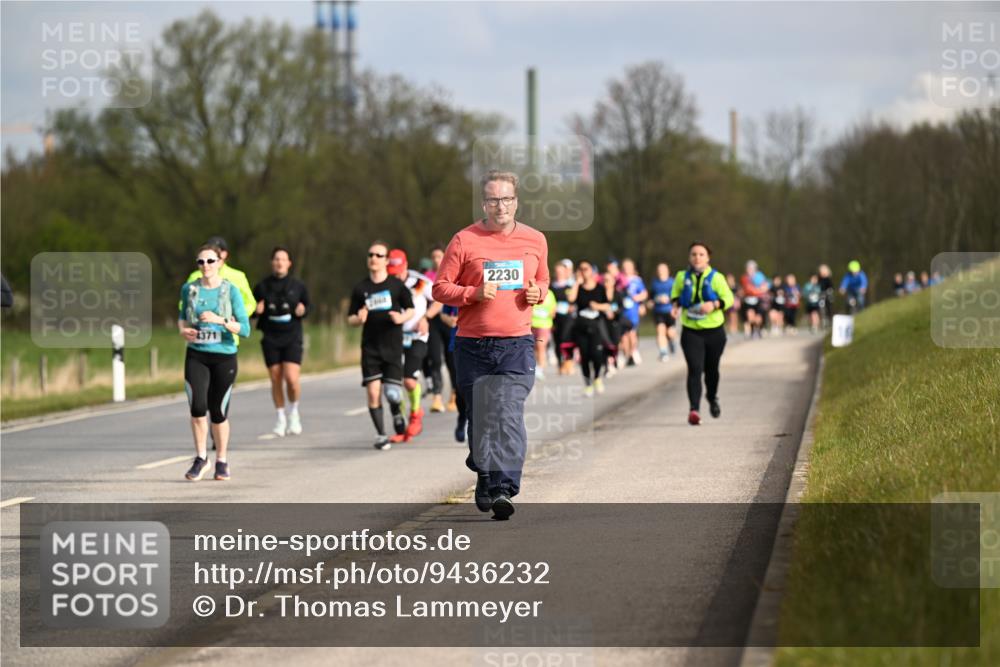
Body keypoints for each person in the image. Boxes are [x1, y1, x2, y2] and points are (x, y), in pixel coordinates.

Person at [432, 170, 549, 521]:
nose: (501, 206)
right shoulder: (464, 240)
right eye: (494, 200)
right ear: (484, 203)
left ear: (516, 202)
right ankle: (484, 471)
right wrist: (472, 293)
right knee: (482, 417)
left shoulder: (535, 239)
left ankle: (503, 487)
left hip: (516, 344)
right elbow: (440, 288)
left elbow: (542, 278)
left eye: (507, 199)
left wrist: (538, 292)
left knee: (507, 413)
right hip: (473, 346)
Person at [178, 244, 251, 481]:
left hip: (224, 356)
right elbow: (181, 319)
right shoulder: (189, 290)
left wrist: (219, 320)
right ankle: (201, 458)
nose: (205, 266)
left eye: (210, 261)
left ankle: (222, 460)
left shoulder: (231, 291)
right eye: (201, 262)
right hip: (197, 354)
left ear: (219, 263)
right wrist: (184, 331)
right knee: (197, 407)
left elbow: (246, 329)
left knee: (218, 412)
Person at [348, 241, 415, 451]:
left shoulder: (396, 286)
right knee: (373, 392)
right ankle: (380, 435)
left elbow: (411, 309)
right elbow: (350, 318)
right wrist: (359, 318)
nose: (373, 259)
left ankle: (396, 411)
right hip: (370, 348)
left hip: (393, 347)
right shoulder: (361, 288)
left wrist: (401, 317)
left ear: (386, 260)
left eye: (378, 255)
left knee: (393, 394)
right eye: (371, 255)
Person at [671, 242, 734, 426]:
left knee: (711, 370)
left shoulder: (716, 278)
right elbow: (675, 295)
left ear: (708, 258)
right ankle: (694, 410)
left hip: (714, 331)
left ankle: (712, 397)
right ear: (689, 257)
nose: (697, 257)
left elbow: (729, 299)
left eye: (701, 254)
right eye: (693, 254)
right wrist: (675, 307)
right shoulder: (682, 277)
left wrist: (713, 305)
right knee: (695, 369)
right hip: (691, 331)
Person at [253, 247, 310, 437]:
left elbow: (308, 306)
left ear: (289, 263)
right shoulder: (262, 286)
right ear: (272, 262)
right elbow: (250, 310)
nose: (279, 263)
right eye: (276, 259)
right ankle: (280, 417)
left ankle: (294, 412)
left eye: (283, 259)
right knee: (275, 378)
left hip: (292, 336)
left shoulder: (298, 286)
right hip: (270, 337)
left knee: (292, 379)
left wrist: (303, 310)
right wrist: (256, 311)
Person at [388, 249, 431, 443]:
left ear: (405, 265)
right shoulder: (386, 283)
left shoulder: (419, 281)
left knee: (409, 381)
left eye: (397, 269)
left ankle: (416, 413)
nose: (395, 273)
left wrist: (425, 318)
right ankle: (401, 425)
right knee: (393, 384)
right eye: (391, 270)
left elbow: (438, 298)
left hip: (416, 336)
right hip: (393, 337)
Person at [567, 261, 612, 397]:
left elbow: (607, 305)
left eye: (585, 269)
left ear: (591, 271)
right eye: (580, 269)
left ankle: (597, 377)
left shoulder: (599, 288)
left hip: (596, 325)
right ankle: (587, 384)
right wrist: (576, 282)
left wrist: (597, 306)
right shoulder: (578, 287)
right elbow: (571, 299)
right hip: (581, 326)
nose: (583, 271)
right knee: (585, 356)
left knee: (597, 355)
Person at [422, 244, 450, 413]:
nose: (436, 260)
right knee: (435, 358)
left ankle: (455, 394)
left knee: (451, 358)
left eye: (439, 256)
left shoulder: (453, 273)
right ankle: (437, 397)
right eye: (433, 257)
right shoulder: (426, 277)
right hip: (433, 321)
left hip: (450, 320)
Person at [619, 258, 648, 366]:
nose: (626, 269)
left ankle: (633, 351)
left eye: (629, 267)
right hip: (622, 311)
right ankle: (626, 355)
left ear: (633, 268)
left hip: (633, 311)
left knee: (632, 333)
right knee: (623, 335)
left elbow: (644, 293)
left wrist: (639, 300)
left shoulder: (637, 280)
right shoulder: (619, 280)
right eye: (625, 267)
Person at [551, 259, 576, 375]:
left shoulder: (570, 285)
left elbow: (576, 299)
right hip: (555, 317)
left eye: (561, 271)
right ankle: (560, 364)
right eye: (557, 271)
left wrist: (573, 306)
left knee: (567, 339)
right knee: (557, 340)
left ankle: (569, 362)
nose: (559, 273)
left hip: (568, 317)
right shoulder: (552, 285)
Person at [649, 263, 676, 362]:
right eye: (659, 270)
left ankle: (671, 341)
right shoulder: (654, 283)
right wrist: (653, 301)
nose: (661, 272)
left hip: (670, 311)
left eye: (663, 269)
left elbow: (677, 297)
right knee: (660, 331)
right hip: (658, 311)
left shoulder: (672, 282)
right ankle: (663, 352)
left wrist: (668, 299)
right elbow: (651, 297)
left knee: (670, 333)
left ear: (667, 271)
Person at [531, 286, 557, 381]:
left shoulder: (550, 293)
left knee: (540, 346)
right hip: (532, 324)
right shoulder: (532, 291)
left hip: (544, 325)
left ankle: (540, 369)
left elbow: (553, 310)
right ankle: (535, 367)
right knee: (533, 347)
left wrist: (549, 314)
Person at [739, 260, 769, 338]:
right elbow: (743, 289)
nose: (750, 270)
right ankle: (752, 330)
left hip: (758, 299)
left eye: (751, 268)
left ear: (755, 269)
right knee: (750, 315)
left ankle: (759, 329)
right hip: (748, 299)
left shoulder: (760, 276)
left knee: (758, 317)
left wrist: (756, 291)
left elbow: (765, 287)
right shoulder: (744, 278)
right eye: (748, 268)